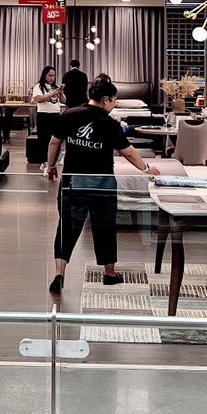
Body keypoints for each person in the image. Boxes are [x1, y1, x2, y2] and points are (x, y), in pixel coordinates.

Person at [45, 78, 150, 297]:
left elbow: (54, 142)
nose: (115, 104)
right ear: (105, 100)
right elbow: (128, 152)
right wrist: (146, 168)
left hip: (73, 184)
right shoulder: (110, 123)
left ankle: (59, 274)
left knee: (66, 229)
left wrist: (52, 167)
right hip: (102, 185)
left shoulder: (69, 115)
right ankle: (109, 274)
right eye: (114, 100)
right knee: (105, 228)